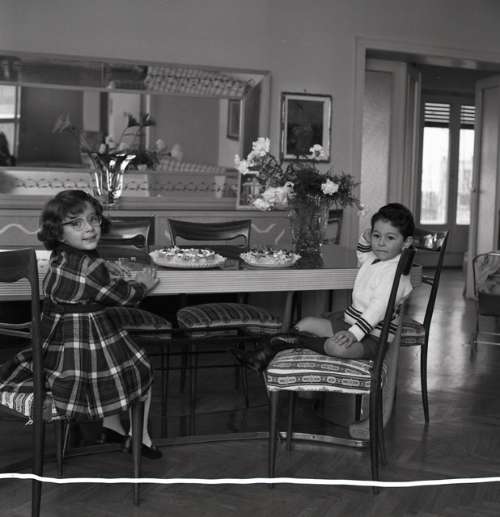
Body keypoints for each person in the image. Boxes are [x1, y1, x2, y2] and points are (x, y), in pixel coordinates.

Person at [0, 190, 162, 458]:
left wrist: (104, 267)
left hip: (56, 348)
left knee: (118, 364)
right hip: (82, 351)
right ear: (59, 233)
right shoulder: (89, 267)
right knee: (140, 368)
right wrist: (142, 285)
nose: (89, 228)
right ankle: (140, 438)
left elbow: (86, 278)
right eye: (76, 223)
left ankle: (112, 427)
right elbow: (122, 297)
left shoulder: (59, 256)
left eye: (93, 219)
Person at [235, 202, 415, 372]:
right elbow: (362, 254)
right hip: (348, 324)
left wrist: (354, 334)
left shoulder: (395, 274)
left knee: (337, 348)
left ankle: (282, 343)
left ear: (406, 242)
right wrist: (365, 237)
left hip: (373, 338)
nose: (381, 243)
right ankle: (271, 349)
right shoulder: (376, 260)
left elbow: (378, 309)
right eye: (377, 236)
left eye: (390, 238)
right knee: (305, 324)